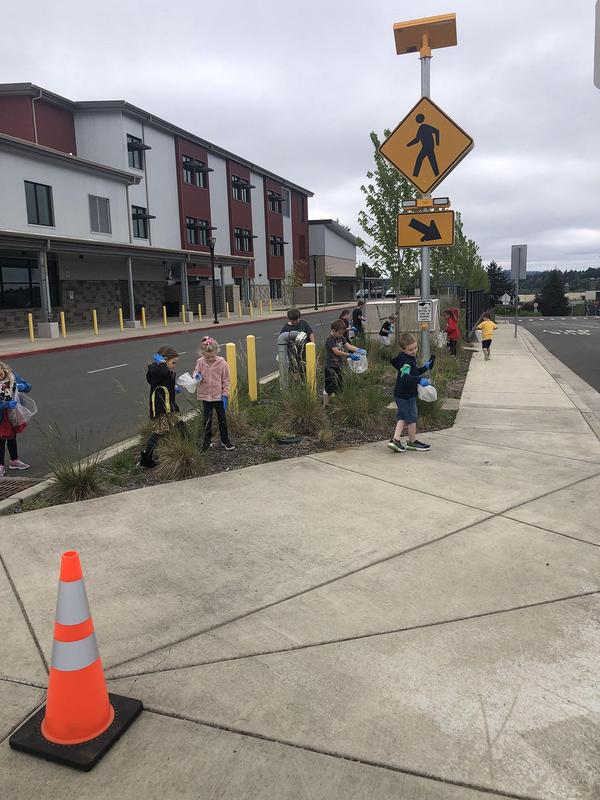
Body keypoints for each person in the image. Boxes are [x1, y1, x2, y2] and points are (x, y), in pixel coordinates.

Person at [387, 333, 434, 452]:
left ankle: (395, 440)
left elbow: (413, 372)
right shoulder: (407, 361)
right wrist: (419, 380)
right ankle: (412, 442)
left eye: (415, 347)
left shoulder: (405, 357)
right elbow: (405, 377)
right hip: (406, 395)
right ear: (403, 349)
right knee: (412, 418)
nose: (414, 351)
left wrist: (425, 368)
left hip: (400, 394)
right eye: (410, 349)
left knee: (403, 416)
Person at [140, 345, 185, 468]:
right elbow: (157, 376)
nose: (174, 366)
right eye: (173, 363)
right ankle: (146, 457)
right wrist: (161, 364)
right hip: (161, 409)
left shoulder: (164, 371)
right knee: (160, 431)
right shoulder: (158, 371)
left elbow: (165, 381)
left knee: (180, 425)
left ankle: (190, 444)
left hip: (169, 406)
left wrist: (174, 388)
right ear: (164, 361)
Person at [194, 336, 234, 451]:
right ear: (203, 353)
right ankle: (207, 441)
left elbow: (226, 380)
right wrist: (196, 376)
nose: (211, 359)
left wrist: (225, 395)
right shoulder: (200, 363)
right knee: (207, 420)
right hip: (206, 396)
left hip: (219, 396)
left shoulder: (222, 364)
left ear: (217, 352)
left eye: (213, 356)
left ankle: (225, 441)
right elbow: (195, 372)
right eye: (208, 357)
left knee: (222, 420)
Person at [0, 360, 32, 476]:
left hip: (12, 413)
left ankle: (14, 460)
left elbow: (28, 387)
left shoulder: (12, 376)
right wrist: (5, 404)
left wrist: (22, 386)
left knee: (12, 436)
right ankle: (0, 465)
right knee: (1, 439)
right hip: (2, 414)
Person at [323, 319, 364, 405]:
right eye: (340, 333)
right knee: (330, 385)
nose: (342, 335)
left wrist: (358, 350)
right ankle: (325, 404)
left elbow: (348, 346)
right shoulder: (330, 339)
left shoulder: (340, 337)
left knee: (340, 385)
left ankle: (337, 402)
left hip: (339, 365)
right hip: (330, 366)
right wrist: (349, 355)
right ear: (334, 331)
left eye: (342, 333)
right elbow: (336, 352)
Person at [280, 308, 315, 375]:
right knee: (294, 368)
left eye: (296, 320)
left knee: (306, 367)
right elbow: (282, 339)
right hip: (293, 353)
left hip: (305, 351)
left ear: (299, 317)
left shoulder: (303, 323)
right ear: (288, 319)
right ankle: (296, 378)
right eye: (293, 320)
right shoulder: (286, 328)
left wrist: (312, 344)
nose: (295, 322)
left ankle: (306, 377)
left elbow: (310, 333)